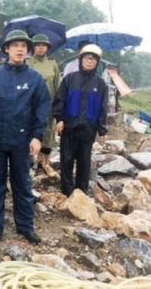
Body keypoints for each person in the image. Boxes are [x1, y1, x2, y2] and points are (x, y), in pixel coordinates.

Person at [0, 30, 50, 245]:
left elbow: (42, 108)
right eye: (15, 45)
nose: (19, 49)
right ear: (6, 49)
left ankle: (25, 227)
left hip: (22, 141)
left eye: (23, 46)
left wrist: (37, 136)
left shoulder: (34, 78)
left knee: (22, 184)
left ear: (28, 51)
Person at [52, 44, 108, 197]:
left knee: (84, 162)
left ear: (97, 62)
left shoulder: (100, 84)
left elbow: (103, 107)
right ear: (81, 59)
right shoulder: (70, 79)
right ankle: (67, 191)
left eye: (93, 59)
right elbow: (60, 100)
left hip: (88, 129)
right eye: (87, 58)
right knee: (66, 160)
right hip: (69, 127)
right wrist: (60, 119)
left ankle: (81, 192)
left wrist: (102, 129)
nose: (90, 61)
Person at [26, 34, 61, 178]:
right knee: (29, 134)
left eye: (44, 45)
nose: (41, 47)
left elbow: (57, 86)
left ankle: (45, 163)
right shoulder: (27, 62)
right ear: (33, 47)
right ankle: (29, 164)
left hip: (48, 105)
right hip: (30, 106)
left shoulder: (52, 64)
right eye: (38, 44)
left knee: (47, 135)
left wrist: (58, 109)